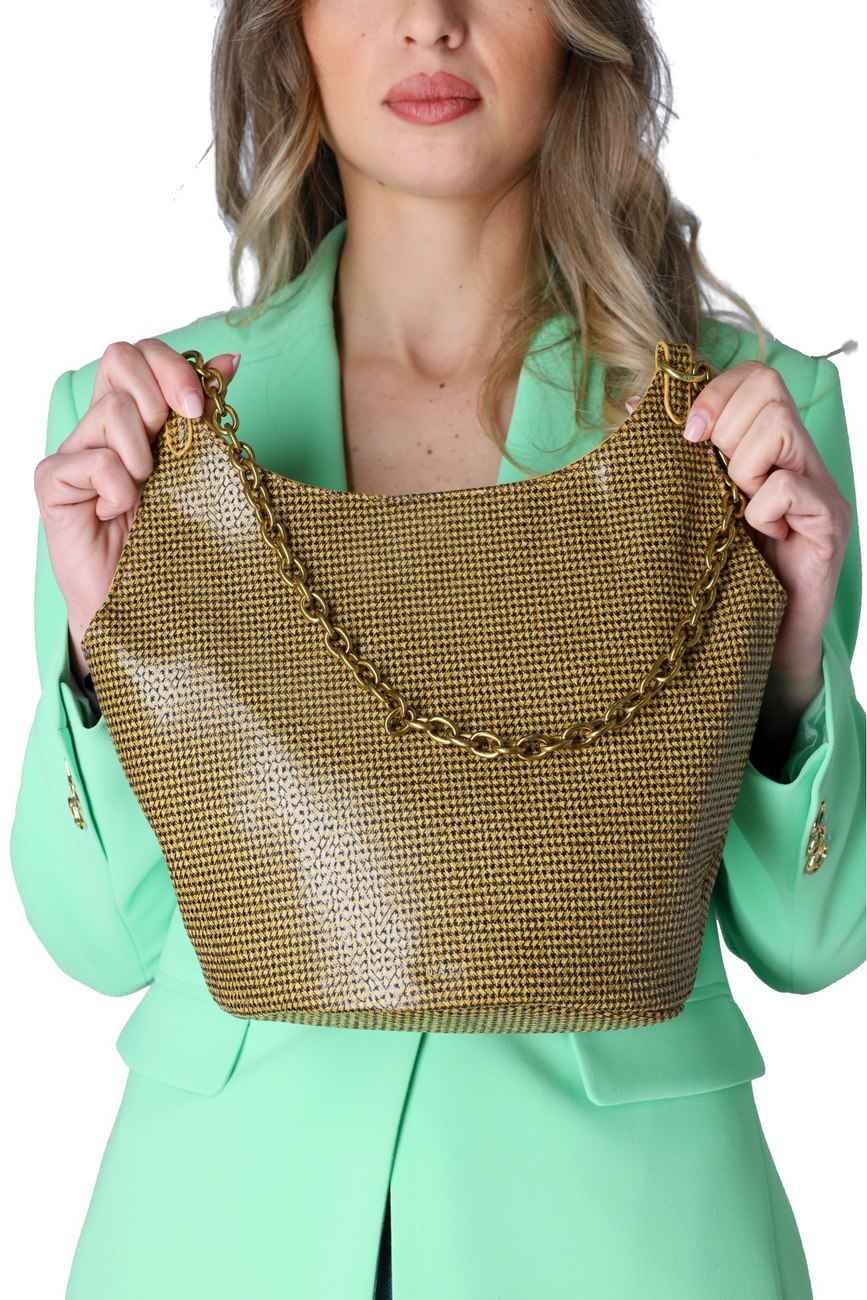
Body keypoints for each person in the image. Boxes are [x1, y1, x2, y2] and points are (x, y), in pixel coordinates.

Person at [11, 3, 864, 1298]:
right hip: (218, 1238)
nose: (430, 22)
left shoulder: (741, 416)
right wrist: (100, 642)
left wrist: (795, 661)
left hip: (629, 1242)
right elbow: (98, 941)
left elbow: (813, 939)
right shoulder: (142, 423)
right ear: (290, 31)